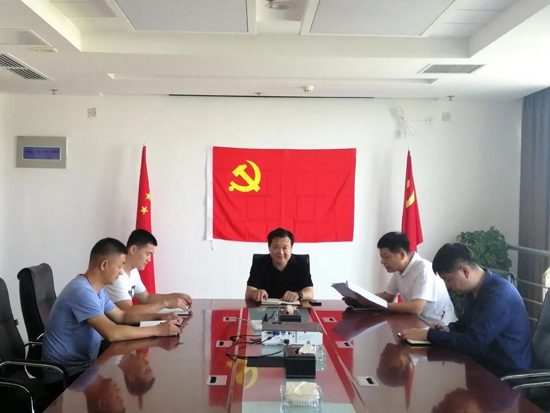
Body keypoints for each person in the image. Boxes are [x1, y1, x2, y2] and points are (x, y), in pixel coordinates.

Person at [42, 238, 183, 382]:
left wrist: (162, 317)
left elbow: (122, 316)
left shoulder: (97, 290)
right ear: (104, 265)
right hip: (65, 376)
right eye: (120, 266)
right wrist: (158, 330)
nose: (121, 272)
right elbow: (112, 333)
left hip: (85, 366)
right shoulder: (81, 291)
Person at [402, 243, 533, 375]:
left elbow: (474, 343)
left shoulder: (499, 296)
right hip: (482, 366)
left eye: (448, 280)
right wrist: (446, 329)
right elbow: (464, 324)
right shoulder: (475, 290)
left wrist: (429, 335)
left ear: (465, 271)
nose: (447, 286)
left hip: (505, 374)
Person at [345, 232, 456, 325]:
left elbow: (416, 307)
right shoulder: (400, 270)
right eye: (382, 257)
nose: (382, 262)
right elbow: (388, 296)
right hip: (418, 324)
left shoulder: (424, 269)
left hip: (441, 327)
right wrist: (360, 299)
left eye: (386, 257)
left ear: (402, 254)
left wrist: (379, 306)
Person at [105, 229, 192, 313]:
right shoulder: (117, 275)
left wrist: (175, 296)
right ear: (133, 249)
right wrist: (166, 303)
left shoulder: (133, 271)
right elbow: (127, 311)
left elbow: (146, 298)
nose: (149, 260)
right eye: (147, 254)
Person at [245, 228, 314, 302]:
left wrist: (298, 295)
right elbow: (249, 293)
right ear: (269, 247)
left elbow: (310, 293)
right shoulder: (259, 263)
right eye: (276, 247)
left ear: (291, 248)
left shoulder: (301, 264)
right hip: (265, 307)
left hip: (294, 307)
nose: (280, 252)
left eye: (285, 248)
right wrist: (256, 293)